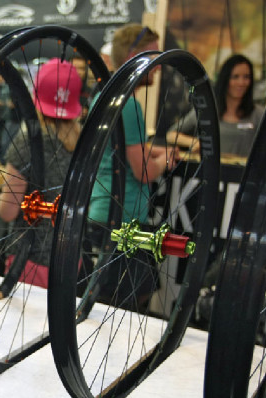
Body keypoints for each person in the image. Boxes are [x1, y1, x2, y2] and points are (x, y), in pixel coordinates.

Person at [86, 24, 177, 309]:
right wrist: (165, 160)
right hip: (123, 219)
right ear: (133, 55)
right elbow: (143, 172)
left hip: (103, 213)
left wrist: (155, 151)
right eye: (153, 56)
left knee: (105, 301)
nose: (158, 65)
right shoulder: (130, 105)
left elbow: (120, 149)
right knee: (126, 303)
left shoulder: (106, 95)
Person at [0, 58, 83, 288]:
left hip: (28, 262)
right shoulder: (83, 143)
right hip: (70, 259)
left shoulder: (28, 142)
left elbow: (7, 210)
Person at [168, 54, 264, 157]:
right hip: (211, 167)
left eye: (246, 77)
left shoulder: (258, 114)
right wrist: (196, 142)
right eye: (235, 77)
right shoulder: (207, 110)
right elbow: (170, 135)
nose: (241, 82)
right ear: (225, 78)